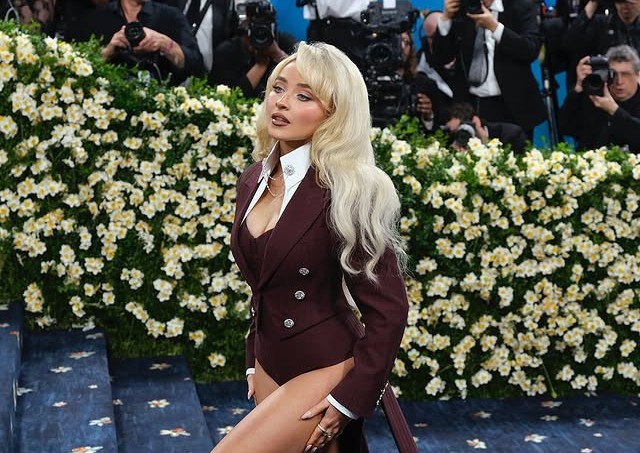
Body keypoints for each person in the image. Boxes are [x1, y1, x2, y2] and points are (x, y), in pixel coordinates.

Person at [214, 41, 410, 453]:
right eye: (278, 88)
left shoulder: (350, 191)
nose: (282, 102)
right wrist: (252, 357)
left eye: (304, 96)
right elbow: (263, 284)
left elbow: (389, 309)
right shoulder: (252, 179)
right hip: (269, 361)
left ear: (334, 115)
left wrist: (351, 396)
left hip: (327, 365)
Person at [431, 0, 546, 138]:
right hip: (471, 107)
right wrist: (446, 19)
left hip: (513, 105)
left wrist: (495, 27)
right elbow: (441, 58)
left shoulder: (522, 6)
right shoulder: (464, 9)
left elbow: (530, 49)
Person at [65, 0, 205, 86]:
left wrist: (165, 43)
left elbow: (197, 68)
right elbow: (72, 72)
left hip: (159, 111)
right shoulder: (93, 19)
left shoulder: (171, 17)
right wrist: (108, 52)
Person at [559, 44, 640, 152]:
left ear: (638, 75)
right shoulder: (595, 96)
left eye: (626, 74)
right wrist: (578, 89)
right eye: (613, 74)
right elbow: (565, 128)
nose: (619, 81)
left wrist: (614, 111)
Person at [209, 6, 296, 98]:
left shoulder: (284, 42)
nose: (259, 37)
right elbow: (231, 98)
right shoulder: (226, 52)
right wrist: (261, 65)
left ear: (273, 30)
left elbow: (303, 77)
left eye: (264, 32)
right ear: (243, 31)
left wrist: (278, 54)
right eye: (254, 32)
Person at [563, 0, 640, 87]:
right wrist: (593, 2)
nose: (625, 6)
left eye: (630, 3)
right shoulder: (601, 24)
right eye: (620, 2)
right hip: (606, 85)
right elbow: (569, 44)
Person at [443, 102, 528, 152]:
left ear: (475, 121)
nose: (463, 134)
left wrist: (484, 141)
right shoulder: (453, 139)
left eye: (462, 127)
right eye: (456, 132)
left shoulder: (512, 134)